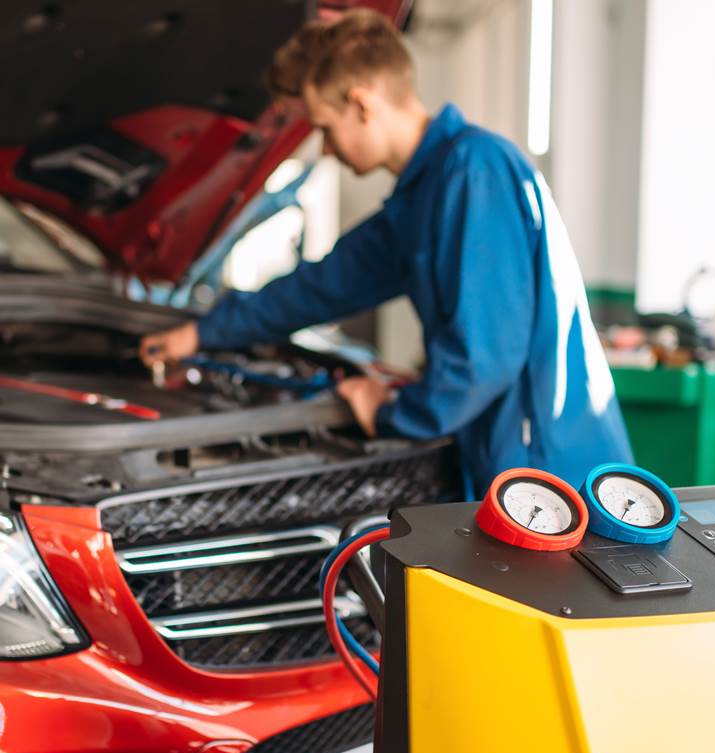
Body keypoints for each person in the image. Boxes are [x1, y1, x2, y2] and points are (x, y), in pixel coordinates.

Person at [140, 9, 633, 497]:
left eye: (325, 128)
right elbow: (321, 286)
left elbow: (483, 361)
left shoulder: (472, 171)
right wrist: (201, 332)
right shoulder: (422, 197)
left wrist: (390, 412)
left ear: (361, 104)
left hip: (549, 480)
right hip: (502, 465)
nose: (327, 149)